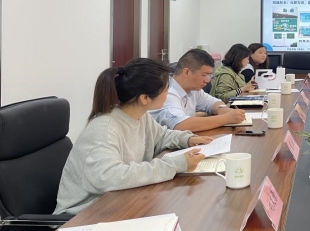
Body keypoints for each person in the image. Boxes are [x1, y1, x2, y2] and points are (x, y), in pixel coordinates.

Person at [55, 58, 212, 215]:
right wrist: (174, 165)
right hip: (83, 215)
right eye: (166, 90)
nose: (168, 94)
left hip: (118, 201)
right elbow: (108, 177)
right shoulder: (104, 129)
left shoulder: (140, 115)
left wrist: (187, 139)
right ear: (144, 98)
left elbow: (161, 135)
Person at [150, 49, 246, 131]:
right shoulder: (167, 93)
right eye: (204, 75)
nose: (207, 81)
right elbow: (181, 125)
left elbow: (213, 102)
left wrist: (222, 109)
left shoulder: (194, 90)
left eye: (209, 76)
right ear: (186, 72)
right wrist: (225, 118)